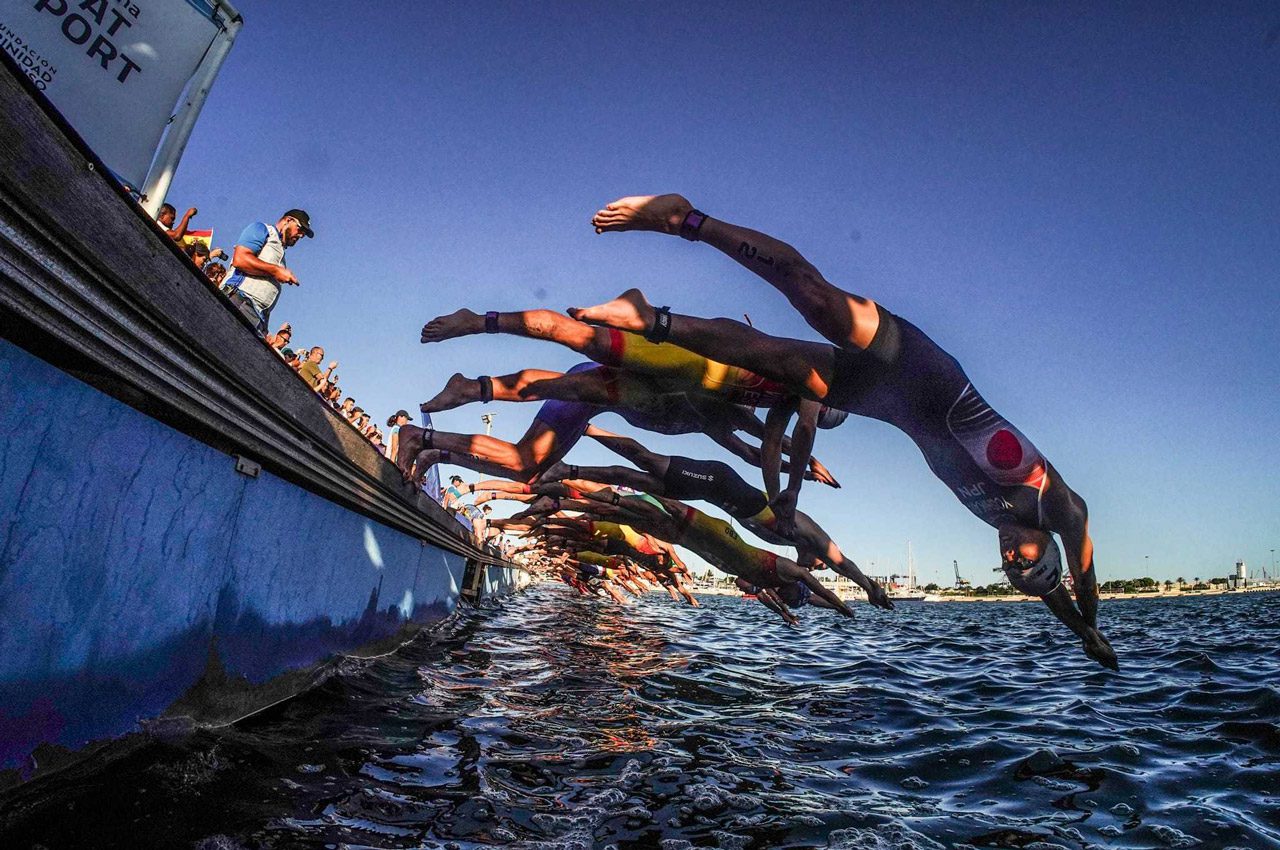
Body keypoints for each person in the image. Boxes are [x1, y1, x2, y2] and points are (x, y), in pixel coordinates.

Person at [576, 193, 1114, 669]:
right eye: (1020, 559)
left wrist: (1079, 634)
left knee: (771, 358)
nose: (1006, 554)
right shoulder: (1058, 507)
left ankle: (652, 320)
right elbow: (1079, 581)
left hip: (887, 405)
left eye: (1006, 567)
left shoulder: (1012, 529)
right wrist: (1090, 622)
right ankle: (686, 218)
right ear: (1048, 552)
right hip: (925, 371)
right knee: (814, 297)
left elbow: (1047, 591)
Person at [538, 426, 891, 608]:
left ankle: (568, 468)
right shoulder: (809, 533)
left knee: (634, 478)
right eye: (819, 565)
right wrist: (869, 587)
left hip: (711, 494)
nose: (816, 567)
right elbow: (844, 563)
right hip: (719, 482)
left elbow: (791, 582)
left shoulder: (793, 549)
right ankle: (587, 431)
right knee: (644, 463)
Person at [223, 209, 313, 334]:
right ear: (288, 220)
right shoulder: (262, 229)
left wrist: (265, 329)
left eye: (304, 233)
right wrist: (276, 271)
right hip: (239, 302)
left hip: (257, 317)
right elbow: (240, 259)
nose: (301, 235)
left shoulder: (281, 257)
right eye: (300, 229)